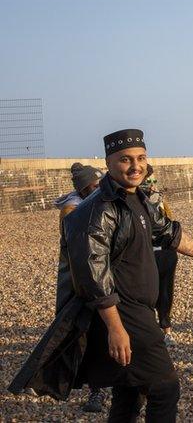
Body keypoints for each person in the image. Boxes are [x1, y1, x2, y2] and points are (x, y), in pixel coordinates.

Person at [8, 129, 193, 422]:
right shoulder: (97, 211)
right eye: (125, 160)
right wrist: (116, 329)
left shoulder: (137, 198)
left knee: (130, 391)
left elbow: (170, 234)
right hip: (123, 313)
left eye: (141, 158)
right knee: (165, 388)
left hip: (140, 310)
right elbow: (93, 275)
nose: (135, 166)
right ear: (109, 163)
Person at [52, 163, 107, 414]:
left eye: (99, 184)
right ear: (83, 188)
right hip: (81, 280)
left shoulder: (99, 203)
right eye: (93, 186)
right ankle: (91, 387)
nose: (98, 188)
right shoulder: (71, 209)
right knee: (82, 333)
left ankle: (108, 385)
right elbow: (78, 245)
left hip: (103, 277)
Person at [140, 165, 179, 348]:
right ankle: (147, 331)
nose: (152, 185)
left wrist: (159, 203)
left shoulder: (160, 200)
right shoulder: (134, 203)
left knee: (165, 293)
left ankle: (167, 330)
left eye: (154, 181)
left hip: (165, 253)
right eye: (148, 181)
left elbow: (170, 224)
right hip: (146, 255)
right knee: (147, 294)